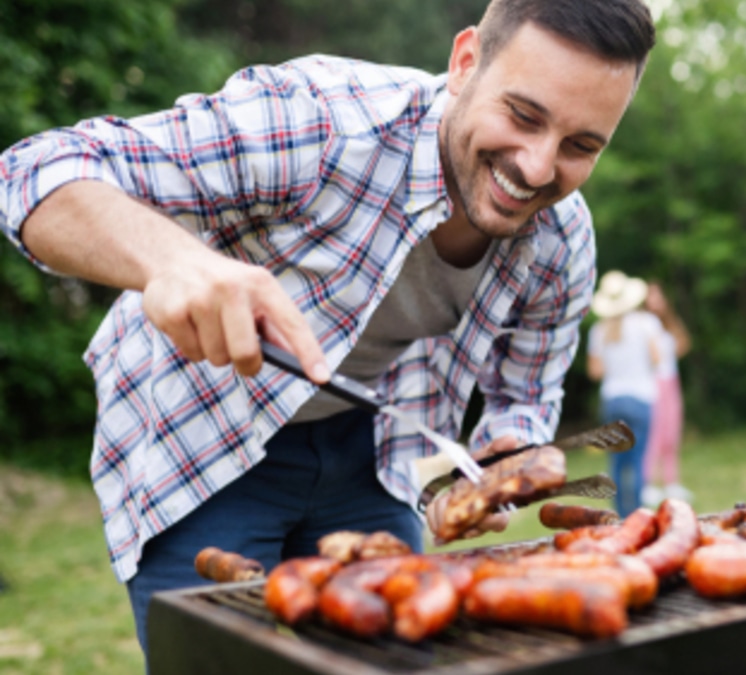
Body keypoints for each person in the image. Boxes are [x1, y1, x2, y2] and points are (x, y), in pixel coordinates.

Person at [0, 0, 655, 656]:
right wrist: (174, 259)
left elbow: (524, 395)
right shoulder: (319, 118)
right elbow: (33, 170)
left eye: (580, 145)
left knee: (397, 657)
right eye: (523, 114)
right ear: (464, 63)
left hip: (375, 456)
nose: (538, 169)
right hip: (204, 440)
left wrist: (503, 456)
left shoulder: (563, 244)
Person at [586, 270, 661, 517]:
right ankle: (638, 513)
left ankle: (619, 514)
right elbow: (657, 359)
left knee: (617, 463)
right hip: (641, 398)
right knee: (638, 460)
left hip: (613, 399)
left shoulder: (598, 331)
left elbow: (595, 371)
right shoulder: (646, 324)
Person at [640, 280, 692, 505]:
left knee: (671, 431)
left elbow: (683, 344)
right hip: (653, 382)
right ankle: (649, 483)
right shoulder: (643, 324)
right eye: (652, 296)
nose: (656, 300)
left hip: (671, 379)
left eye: (659, 295)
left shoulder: (668, 323)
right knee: (655, 434)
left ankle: (671, 482)